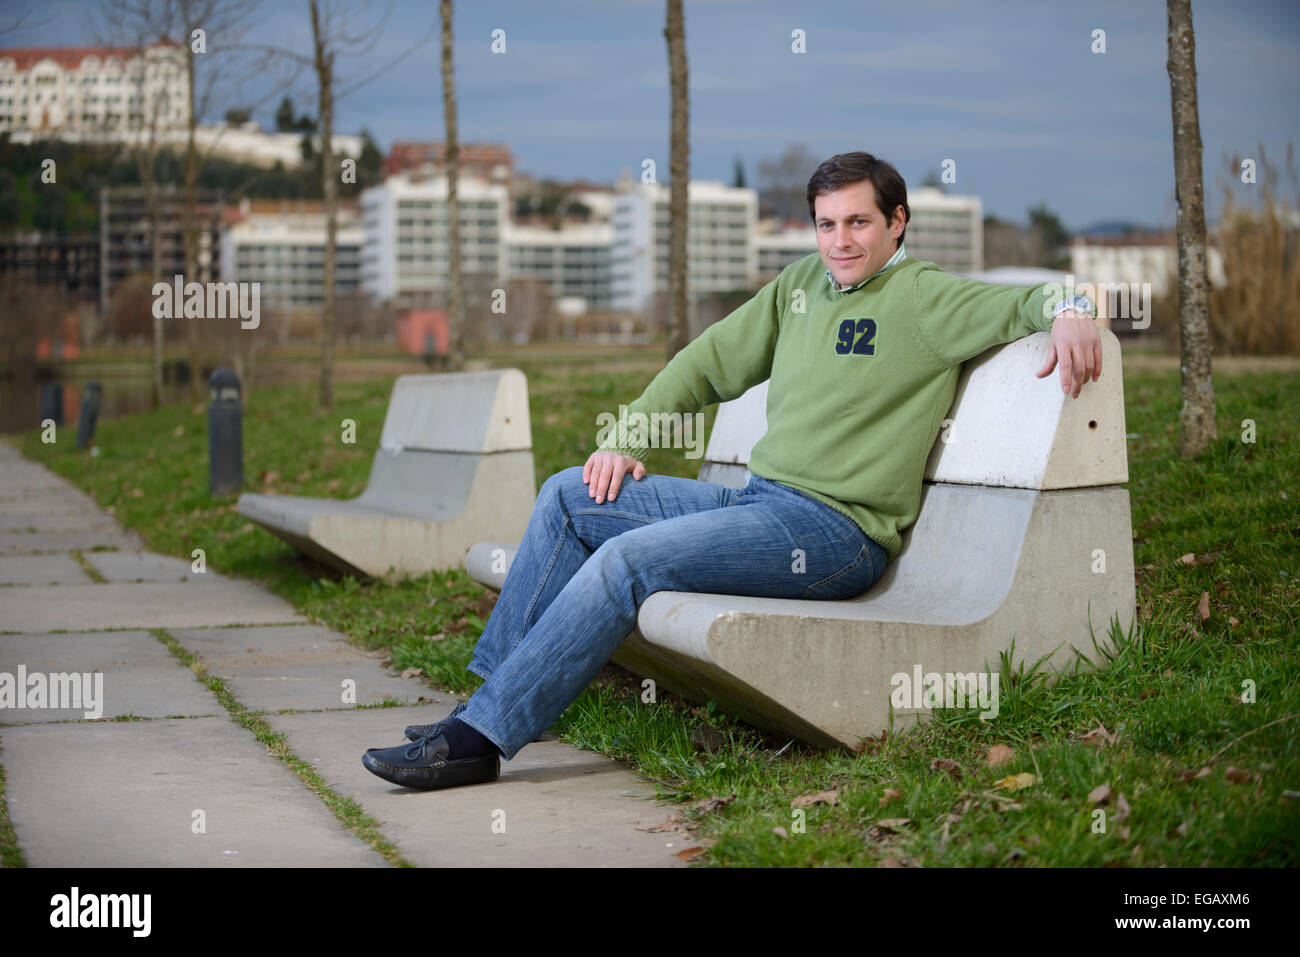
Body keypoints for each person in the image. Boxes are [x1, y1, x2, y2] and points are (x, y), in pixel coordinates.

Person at [361, 151, 1101, 790]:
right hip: (760, 503)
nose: (840, 241)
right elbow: (708, 362)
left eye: (858, 222)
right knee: (566, 495)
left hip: (834, 534)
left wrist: (1071, 308)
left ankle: (478, 744)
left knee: (627, 562)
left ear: (897, 222)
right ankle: (485, 706)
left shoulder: (927, 298)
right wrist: (627, 435)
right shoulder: (801, 286)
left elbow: (1029, 302)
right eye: (826, 224)